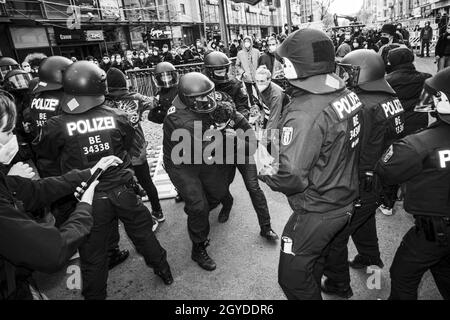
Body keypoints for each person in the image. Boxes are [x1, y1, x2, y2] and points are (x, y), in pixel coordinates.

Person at [33, 61, 173, 299]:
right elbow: (127, 146)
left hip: (88, 198)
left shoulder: (55, 125)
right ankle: (164, 271)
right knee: (143, 234)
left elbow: (46, 158)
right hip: (122, 190)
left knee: (93, 255)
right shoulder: (118, 116)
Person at [259, 29, 363, 300]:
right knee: (318, 259)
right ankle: (340, 287)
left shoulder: (304, 110)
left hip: (318, 208)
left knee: (292, 279)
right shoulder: (346, 93)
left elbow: (291, 175)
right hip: (343, 197)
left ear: (297, 64)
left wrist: (264, 169)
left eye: (285, 62)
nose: (282, 66)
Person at [0, 89, 126, 300]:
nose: (14, 138)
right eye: (8, 132)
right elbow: (53, 250)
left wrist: (91, 171)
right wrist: (84, 206)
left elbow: (37, 190)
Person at [322, 49, 405, 298]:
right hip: (382, 177)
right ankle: (371, 262)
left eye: (348, 71)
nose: (344, 76)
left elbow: (351, 145)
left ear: (361, 73)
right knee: (365, 221)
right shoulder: (389, 97)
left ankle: (339, 285)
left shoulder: (362, 105)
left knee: (335, 237)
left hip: (362, 179)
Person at [375, 67, 450, 300]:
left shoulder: (418, 144)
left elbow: (387, 170)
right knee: (444, 268)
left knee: (403, 274)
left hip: (434, 228)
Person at [163, 72, 228, 271]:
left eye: (207, 95)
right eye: (199, 98)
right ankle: (198, 248)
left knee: (217, 192)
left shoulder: (193, 102)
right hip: (182, 164)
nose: (205, 100)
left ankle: (196, 211)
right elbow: (209, 144)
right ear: (187, 98)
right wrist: (222, 129)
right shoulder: (179, 119)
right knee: (199, 206)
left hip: (200, 156)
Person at [209, 98, 279, 241]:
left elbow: (253, 145)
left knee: (253, 188)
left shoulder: (239, 119)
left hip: (243, 154)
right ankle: (227, 204)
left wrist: (237, 139)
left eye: (222, 125)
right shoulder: (208, 118)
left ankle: (266, 228)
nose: (219, 126)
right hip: (224, 155)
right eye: (217, 124)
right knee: (220, 186)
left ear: (230, 119)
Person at [105, 67, 164, 222]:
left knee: (123, 184)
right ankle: (158, 211)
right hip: (136, 148)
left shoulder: (104, 102)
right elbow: (155, 103)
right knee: (146, 181)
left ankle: (136, 216)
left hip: (115, 150)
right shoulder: (136, 98)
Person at [386, 47, 432, 135]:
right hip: (420, 124)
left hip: (396, 124)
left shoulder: (387, 81)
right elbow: (427, 105)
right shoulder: (426, 78)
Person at [204, 51, 250, 119]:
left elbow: (243, 108)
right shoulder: (203, 86)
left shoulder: (235, 85)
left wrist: (233, 123)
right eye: (219, 73)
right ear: (210, 72)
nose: (222, 75)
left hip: (231, 121)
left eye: (224, 72)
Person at [254, 66, 289, 134]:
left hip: (283, 115)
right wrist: (257, 108)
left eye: (262, 81)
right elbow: (259, 101)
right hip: (269, 112)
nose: (259, 84)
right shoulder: (259, 86)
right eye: (257, 81)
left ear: (269, 80)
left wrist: (264, 142)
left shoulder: (276, 95)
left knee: (276, 136)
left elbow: (273, 120)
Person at [236, 36, 260, 105]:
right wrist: (243, 73)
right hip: (247, 77)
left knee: (260, 92)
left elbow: (261, 63)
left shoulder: (256, 52)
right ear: (243, 43)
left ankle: (261, 105)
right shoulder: (240, 53)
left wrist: (259, 72)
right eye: (245, 41)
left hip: (257, 76)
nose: (247, 43)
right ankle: (253, 106)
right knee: (250, 94)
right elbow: (237, 65)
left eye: (248, 41)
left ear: (251, 42)